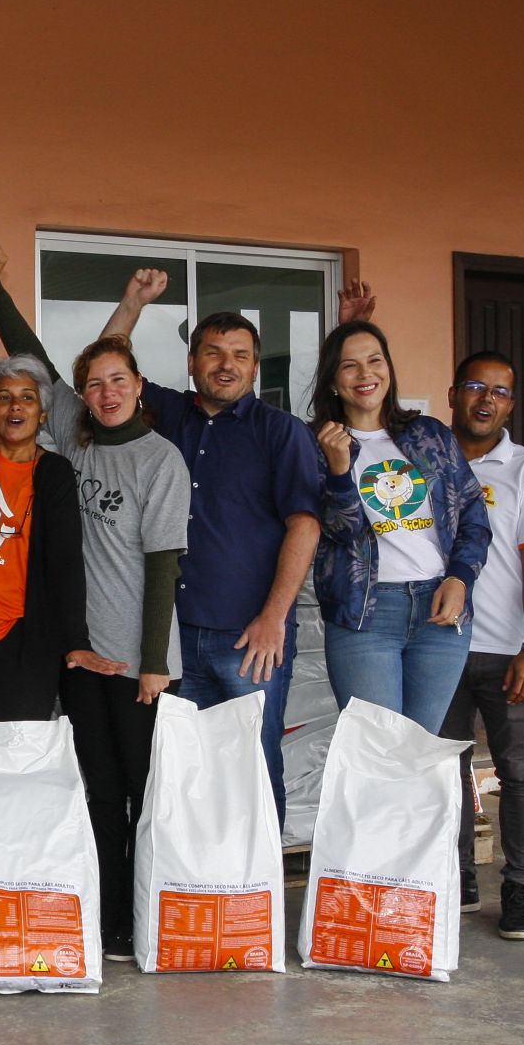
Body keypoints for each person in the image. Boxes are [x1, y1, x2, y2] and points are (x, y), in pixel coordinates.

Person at [0, 236, 191, 963]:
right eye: (93, 382)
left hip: (137, 663)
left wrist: (154, 663)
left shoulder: (162, 460)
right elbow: (29, 360)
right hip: (81, 658)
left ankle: (151, 913)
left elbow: (164, 566)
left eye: (116, 379)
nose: (105, 391)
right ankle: (111, 920)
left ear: (137, 383)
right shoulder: (75, 443)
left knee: (144, 793)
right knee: (99, 796)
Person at [65, 271, 323, 821]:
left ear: (254, 366)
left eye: (239, 354)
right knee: (181, 773)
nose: (225, 364)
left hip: (248, 637)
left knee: (253, 767)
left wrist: (276, 616)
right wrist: (133, 300)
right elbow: (108, 363)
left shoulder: (282, 432)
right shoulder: (169, 414)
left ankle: (258, 899)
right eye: (212, 352)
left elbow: (305, 524)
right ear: (191, 363)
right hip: (174, 639)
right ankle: (197, 896)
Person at [0, 210, 104, 724]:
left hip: (26, 645)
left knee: (13, 764)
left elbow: (66, 564)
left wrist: (74, 641)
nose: (14, 406)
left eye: (27, 397)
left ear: (43, 411)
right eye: (4, 397)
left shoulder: (53, 474)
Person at [311, 321, 489, 736]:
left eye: (375, 361)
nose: (365, 374)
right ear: (334, 382)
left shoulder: (429, 435)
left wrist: (461, 579)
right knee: (377, 754)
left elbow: (474, 516)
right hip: (365, 615)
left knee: (421, 753)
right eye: (350, 366)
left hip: (440, 608)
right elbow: (341, 533)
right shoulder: (314, 445)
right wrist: (339, 473)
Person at [438, 350, 524, 939]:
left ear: (511, 403)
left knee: (519, 771)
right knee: (443, 770)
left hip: (506, 650)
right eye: (476, 387)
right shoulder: (425, 462)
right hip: (435, 649)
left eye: (501, 392)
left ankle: (520, 887)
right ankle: (457, 876)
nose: (487, 400)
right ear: (453, 394)